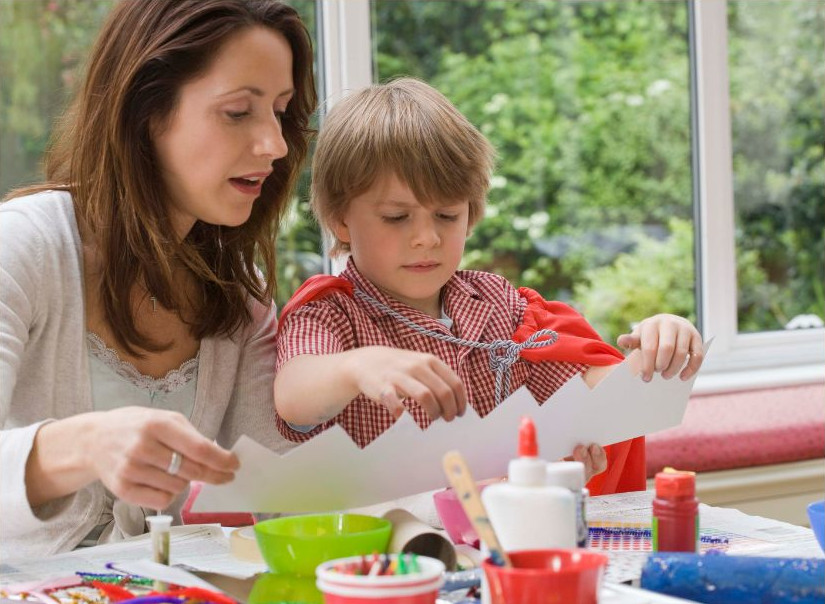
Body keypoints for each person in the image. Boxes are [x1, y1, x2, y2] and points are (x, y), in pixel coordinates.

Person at [273, 78, 704, 496]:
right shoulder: (329, 313)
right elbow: (294, 396)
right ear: (340, 219)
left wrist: (660, 344)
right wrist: (356, 367)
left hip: (498, 549)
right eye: (396, 217)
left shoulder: (501, 305)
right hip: (387, 556)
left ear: (472, 213)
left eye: (446, 216)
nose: (427, 238)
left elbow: (596, 393)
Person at [0, 0, 316, 558]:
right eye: (239, 112)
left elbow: (273, 499)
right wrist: (82, 445)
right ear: (146, 110)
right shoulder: (24, 247)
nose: (276, 145)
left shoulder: (239, 302)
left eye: (281, 111)